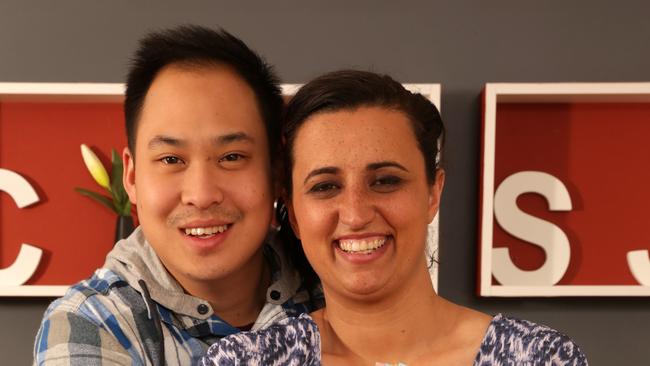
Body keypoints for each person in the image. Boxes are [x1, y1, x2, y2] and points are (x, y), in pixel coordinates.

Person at [200, 70, 588, 365]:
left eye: (385, 181)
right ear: (295, 215)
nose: (355, 213)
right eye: (325, 186)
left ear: (433, 192)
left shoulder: (538, 357)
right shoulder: (244, 360)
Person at [33, 25, 321, 365]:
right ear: (132, 176)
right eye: (171, 159)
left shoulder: (330, 285)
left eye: (231, 157)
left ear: (275, 172)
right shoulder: (91, 322)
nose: (201, 195)